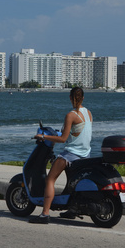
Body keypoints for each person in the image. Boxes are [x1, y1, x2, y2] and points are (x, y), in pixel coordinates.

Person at [29, 87, 92, 224]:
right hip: (85, 155)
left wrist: (44, 136)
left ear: (70, 98)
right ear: (83, 98)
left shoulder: (71, 115)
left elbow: (63, 139)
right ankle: (72, 209)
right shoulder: (88, 113)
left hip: (72, 154)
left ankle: (45, 214)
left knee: (50, 179)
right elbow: (77, 133)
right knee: (72, 182)